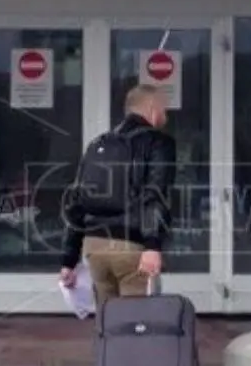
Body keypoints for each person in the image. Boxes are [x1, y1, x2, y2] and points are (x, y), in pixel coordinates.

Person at [60, 83, 176, 311]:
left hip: (95, 248)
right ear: (152, 108)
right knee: (136, 325)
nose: (166, 115)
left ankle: (104, 348)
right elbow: (156, 194)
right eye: (164, 109)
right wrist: (152, 245)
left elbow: (76, 201)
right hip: (131, 248)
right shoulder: (158, 142)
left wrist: (69, 260)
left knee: (108, 324)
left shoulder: (98, 144)